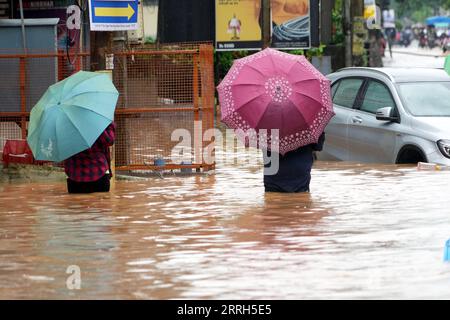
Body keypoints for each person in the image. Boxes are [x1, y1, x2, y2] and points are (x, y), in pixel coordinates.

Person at [64, 122, 116, 194]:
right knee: (103, 203)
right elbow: (109, 140)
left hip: (76, 174)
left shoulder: (65, 122)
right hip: (96, 171)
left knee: (75, 202)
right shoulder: (102, 121)